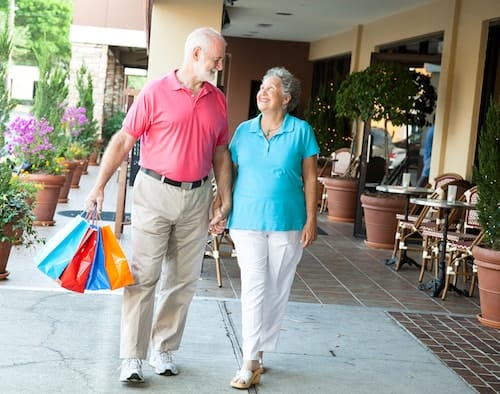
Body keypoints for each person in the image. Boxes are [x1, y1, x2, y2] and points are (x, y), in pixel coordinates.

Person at [84, 27, 232, 383]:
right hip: (154, 191)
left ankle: (163, 348)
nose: (220, 63)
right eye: (216, 57)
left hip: (196, 196)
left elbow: (221, 151)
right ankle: (132, 357)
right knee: (143, 276)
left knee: (183, 280)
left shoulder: (218, 99)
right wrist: (99, 185)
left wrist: (224, 198)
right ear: (196, 53)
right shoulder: (155, 91)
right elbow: (124, 140)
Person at [214, 67, 319, 389]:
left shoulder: (301, 131)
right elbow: (227, 171)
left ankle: (258, 354)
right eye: (261, 87)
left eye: (270, 89)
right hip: (247, 221)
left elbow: (312, 177)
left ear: (286, 99)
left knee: (276, 289)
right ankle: (248, 361)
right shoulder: (243, 132)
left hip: (288, 221)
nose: (262, 92)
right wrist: (222, 206)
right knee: (254, 288)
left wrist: (312, 220)